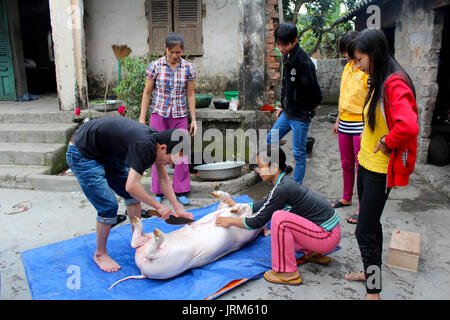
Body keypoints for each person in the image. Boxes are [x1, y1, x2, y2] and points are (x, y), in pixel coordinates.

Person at [344, 29, 419, 300]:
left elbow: (408, 126)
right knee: (372, 226)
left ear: (373, 55)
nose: (356, 64)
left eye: (359, 59)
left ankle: (373, 292)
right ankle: (370, 272)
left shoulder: (394, 82)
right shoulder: (378, 78)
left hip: (379, 169)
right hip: (366, 163)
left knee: (364, 230)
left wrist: (388, 141)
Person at [66, 116, 193, 273]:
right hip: (83, 153)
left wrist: (177, 208)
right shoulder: (144, 146)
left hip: (108, 153)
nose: (170, 164)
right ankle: (100, 254)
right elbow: (131, 185)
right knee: (108, 205)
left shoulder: (157, 142)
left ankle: (136, 236)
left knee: (133, 196)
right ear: (163, 148)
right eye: (170, 160)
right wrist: (158, 206)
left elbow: (163, 178)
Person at [215, 145, 341, 285]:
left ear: (274, 167)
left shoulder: (282, 188)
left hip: (327, 237)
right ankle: (313, 252)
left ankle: (287, 272)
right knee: (276, 213)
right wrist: (235, 204)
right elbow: (265, 204)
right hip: (328, 232)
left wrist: (229, 221)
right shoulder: (283, 183)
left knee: (279, 218)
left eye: (261, 166)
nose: (258, 170)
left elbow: (256, 222)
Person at [139, 32, 197, 206]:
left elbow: (191, 94)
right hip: (159, 114)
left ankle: (180, 190)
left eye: (178, 52)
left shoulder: (188, 68)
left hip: (179, 114)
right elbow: (147, 92)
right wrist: (142, 118)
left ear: (182, 51)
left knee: (180, 152)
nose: (174, 56)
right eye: (171, 52)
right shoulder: (155, 66)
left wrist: (193, 118)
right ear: (165, 49)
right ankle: (159, 190)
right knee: (157, 151)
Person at [267, 23, 323, 185]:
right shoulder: (287, 56)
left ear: (295, 41)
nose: (281, 48)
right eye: (278, 44)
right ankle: (283, 169)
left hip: (300, 116)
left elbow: (316, 93)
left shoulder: (304, 63)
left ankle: (296, 188)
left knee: (298, 153)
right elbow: (286, 86)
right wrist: (282, 106)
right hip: (287, 112)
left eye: (284, 44)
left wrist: (308, 109)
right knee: (271, 139)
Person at [331, 31, 369, 225]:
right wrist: (338, 119)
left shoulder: (366, 69)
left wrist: (367, 126)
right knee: (346, 163)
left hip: (360, 123)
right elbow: (343, 95)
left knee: (361, 166)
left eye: (348, 51)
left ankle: (364, 207)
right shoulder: (347, 68)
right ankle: (347, 197)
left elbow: (371, 98)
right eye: (345, 51)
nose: (346, 55)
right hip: (344, 121)